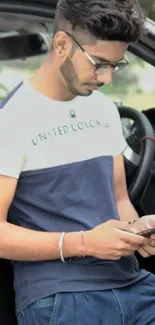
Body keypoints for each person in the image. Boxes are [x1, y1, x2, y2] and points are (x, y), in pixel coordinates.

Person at [0, 0, 155, 324]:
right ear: (61, 44)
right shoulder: (11, 121)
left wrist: (139, 231)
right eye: (99, 63)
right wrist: (85, 243)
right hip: (59, 298)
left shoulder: (102, 109)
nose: (108, 78)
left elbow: (119, 200)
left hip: (133, 284)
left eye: (116, 65)